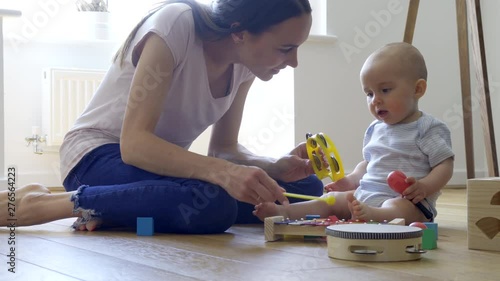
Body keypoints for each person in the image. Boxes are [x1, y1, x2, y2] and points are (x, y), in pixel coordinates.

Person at [0, 0, 324, 233]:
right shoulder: (176, 24)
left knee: (306, 190)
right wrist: (225, 174)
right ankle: (45, 203)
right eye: (285, 48)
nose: (294, 62)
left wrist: (274, 165)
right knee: (211, 205)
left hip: (154, 169)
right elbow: (135, 145)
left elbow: (224, 150)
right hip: (96, 157)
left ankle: (124, 211)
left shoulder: (246, 65)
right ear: (240, 32)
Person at [254, 42, 455, 224]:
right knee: (330, 201)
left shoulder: (427, 128)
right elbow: (368, 164)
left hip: (409, 202)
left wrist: (425, 187)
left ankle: (374, 216)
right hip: (366, 194)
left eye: (385, 90)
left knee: (397, 208)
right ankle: (286, 212)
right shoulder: (375, 129)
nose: (375, 100)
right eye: (369, 93)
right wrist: (350, 180)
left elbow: (444, 165)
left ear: (418, 89)